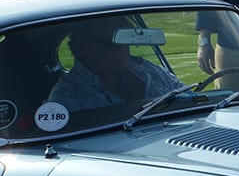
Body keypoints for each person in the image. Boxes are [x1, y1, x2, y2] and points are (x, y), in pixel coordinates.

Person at [47, 21, 183, 110]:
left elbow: (187, 98)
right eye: (109, 43)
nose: (121, 47)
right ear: (81, 48)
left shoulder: (146, 68)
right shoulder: (66, 96)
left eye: (124, 39)